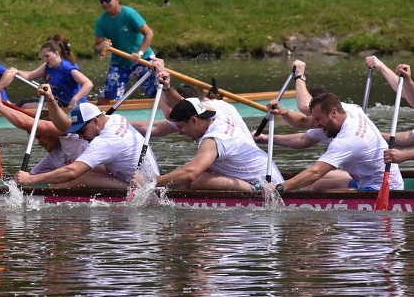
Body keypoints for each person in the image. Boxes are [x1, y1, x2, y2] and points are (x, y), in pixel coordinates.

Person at [261, 92, 402, 193]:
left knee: (311, 184)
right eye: (314, 119)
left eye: (318, 119)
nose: (315, 124)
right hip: (369, 179)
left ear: (333, 112)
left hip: (384, 189)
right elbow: (303, 136)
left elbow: (316, 172)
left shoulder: (347, 140)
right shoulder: (348, 109)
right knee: (309, 187)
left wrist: (280, 188)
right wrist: (267, 136)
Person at [135, 97, 283, 191]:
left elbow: (190, 174)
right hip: (266, 173)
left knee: (196, 179)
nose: (179, 132)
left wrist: (149, 183)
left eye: (180, 126)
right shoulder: (219, 112)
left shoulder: (212, 140)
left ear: (194, 120)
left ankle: (254, 190)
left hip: (268, 185)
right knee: (180, 172)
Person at [14, 93, 159, 189]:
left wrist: (30, 180)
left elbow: (72, 172)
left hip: (142, 187)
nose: (81, 137)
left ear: (95, 121)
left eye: (81, 131)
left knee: (80, 177)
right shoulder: (116, 119)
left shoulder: (104, 142)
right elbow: (64, 126)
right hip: (149, 178)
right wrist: (51, 100)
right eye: (76, 133)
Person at [0, 88, 94, 177]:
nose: (39, 143)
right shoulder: (52, 157)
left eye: (39, 137)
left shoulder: (71, 134)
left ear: (49, 130)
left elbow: (25, 123)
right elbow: (29, 178)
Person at [93, 0, 157, 101]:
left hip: (144, 58)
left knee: (158, 92)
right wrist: (101, 47)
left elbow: (149, 34)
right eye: (101, 1)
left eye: (107, 0)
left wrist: (139, 53)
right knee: (108, 99)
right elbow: (97, 46)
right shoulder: (101, 21)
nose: (104, 4)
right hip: (120, 62)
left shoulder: (129, 13)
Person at [14, 39, 93, 110]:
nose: (45, 60)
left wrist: (75, 99)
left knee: (25, 107)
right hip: (56, 103)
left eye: (47, 56)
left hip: (72, 106)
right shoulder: (48, 66)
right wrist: (15, 72)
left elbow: (88, 84)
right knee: (21, 104)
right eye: (43, 57)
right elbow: (29, 76)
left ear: (56, 53)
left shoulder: (67, 68)